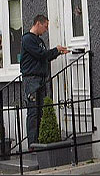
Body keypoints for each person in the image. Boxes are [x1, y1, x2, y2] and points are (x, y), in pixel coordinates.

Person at [20, 14, 69, 149]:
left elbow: (44, 58)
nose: (46, 30)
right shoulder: (27, 39)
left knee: (41, 111)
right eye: (45, 27)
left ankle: (39, 141)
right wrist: (56, 50)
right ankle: (32, 144)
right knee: (33, 112)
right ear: (38, 23)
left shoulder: (39, 41)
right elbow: (40, 55)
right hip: (31, 79)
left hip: (40, 79)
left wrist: (58, 52)